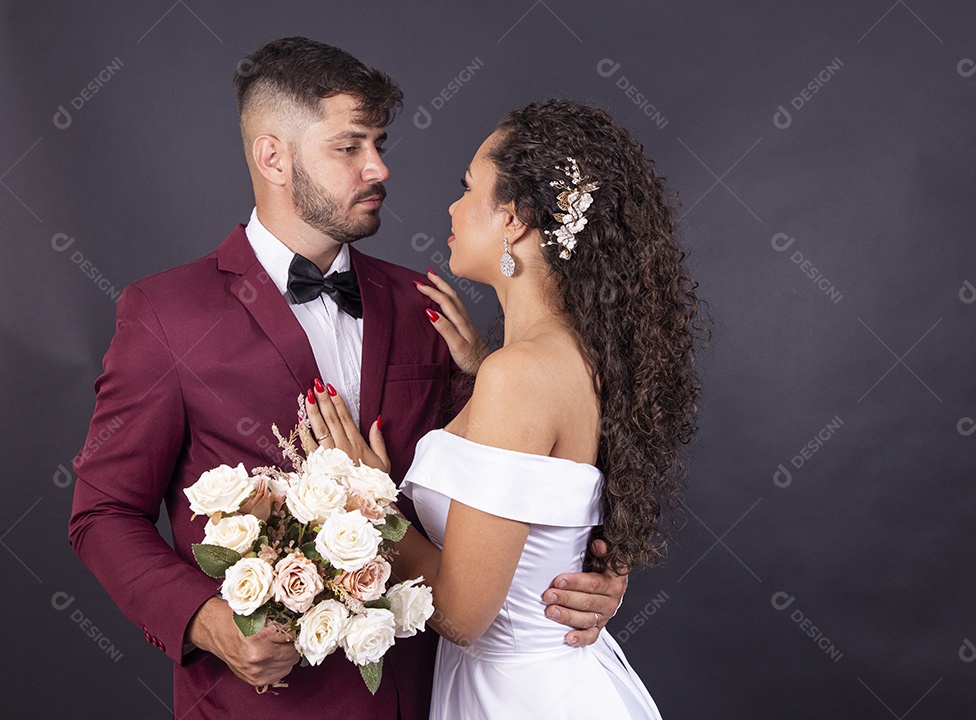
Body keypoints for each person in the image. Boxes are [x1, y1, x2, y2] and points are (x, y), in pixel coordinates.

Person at [67, 38, 626, 720]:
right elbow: (102, 513)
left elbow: (518, 478)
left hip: (430, 696)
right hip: (260, 705)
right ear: (273, 157)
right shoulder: (164, 314)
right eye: (349, 146)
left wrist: (596, 566)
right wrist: (208, 621)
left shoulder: (428, 305)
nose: (379, 166)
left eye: (380, 143)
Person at [307, 98, 702, 718]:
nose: (453, 207)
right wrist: (482, 367)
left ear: (515, 220)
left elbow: (463, 616)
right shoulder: (568, 357)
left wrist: (369, 498)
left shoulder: (518, 376)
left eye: (468, 189)